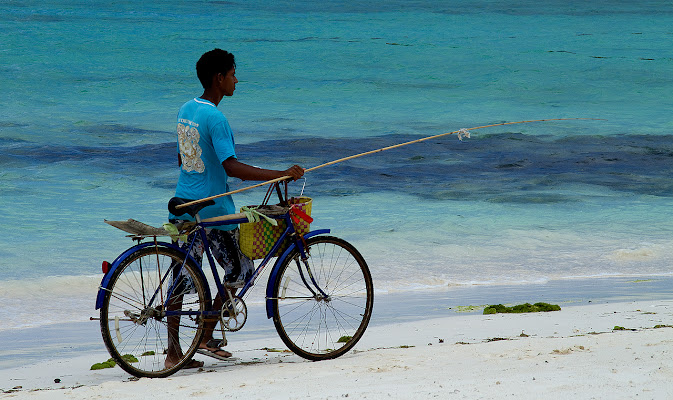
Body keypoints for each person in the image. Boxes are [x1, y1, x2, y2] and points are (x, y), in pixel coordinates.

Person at [166, 49, 304, 369]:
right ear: (219, 78)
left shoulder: (186, 109)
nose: (236, 80)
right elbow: (232, 167)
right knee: (241, 271)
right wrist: (279, 174)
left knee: (181, 280)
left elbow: (182, 159)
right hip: (214, 211)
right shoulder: (216, 117)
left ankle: (174, 353)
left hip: (183, 206)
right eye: (232, 74)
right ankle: (203, 337)